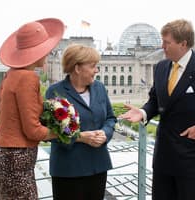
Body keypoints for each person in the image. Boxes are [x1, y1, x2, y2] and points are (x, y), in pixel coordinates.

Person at [119, 19, 195, 200]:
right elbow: (155, 99)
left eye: (167, 42)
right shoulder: (161, 67)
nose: (162, 47)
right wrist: (143, 112)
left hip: (191, 158)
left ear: (183, 44)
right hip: (164, 157)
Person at [0, 18, 65, 199]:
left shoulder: (11, 75)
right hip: (18, 159)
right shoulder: (28, 78)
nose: (48, 54)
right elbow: (32, 130)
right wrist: (64, 132)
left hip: (6, 156)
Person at [46, 43, 117, 200]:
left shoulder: (99, 88)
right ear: (77, 68)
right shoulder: (56, 92)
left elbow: (111, 118)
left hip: (98, 166)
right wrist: (82, 137)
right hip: (69, 169)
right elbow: (55, 132)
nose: (97, 70)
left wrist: (105, 133)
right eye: (93, 66)